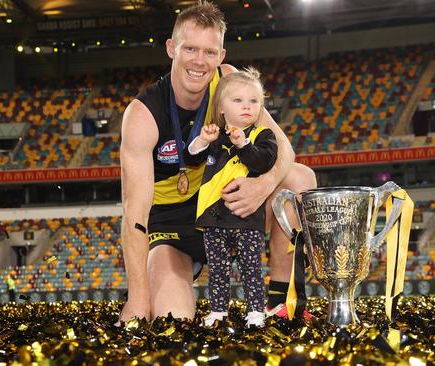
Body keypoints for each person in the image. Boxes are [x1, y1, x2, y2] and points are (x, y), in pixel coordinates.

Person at [118, 1, 316, 322]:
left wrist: (260, 185)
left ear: (221, 56)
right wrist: (138, 301)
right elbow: (134, 214)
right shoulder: (143, 114)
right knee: (173, 319)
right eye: (190, 49)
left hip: (227, 208)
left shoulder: (228, 81)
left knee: (299, 179)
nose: (200, 61)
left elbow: (285, 150)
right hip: (173, 229)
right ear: (171, 48)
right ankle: (163, 292)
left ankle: (281, 302)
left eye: (210, 52)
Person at [188, 67, 276, 328]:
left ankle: (256, 312)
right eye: (238, 100)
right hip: (214, 217)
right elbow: (192, 159)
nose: (247, 106)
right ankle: (218, 311)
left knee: (251, 269)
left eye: (254, 101)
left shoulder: (262, 136)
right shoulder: (214, 136)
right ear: (222, 108)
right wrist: (201, 142)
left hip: (246, 218)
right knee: (217, 269)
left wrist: (243, 145)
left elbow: (263, 163)